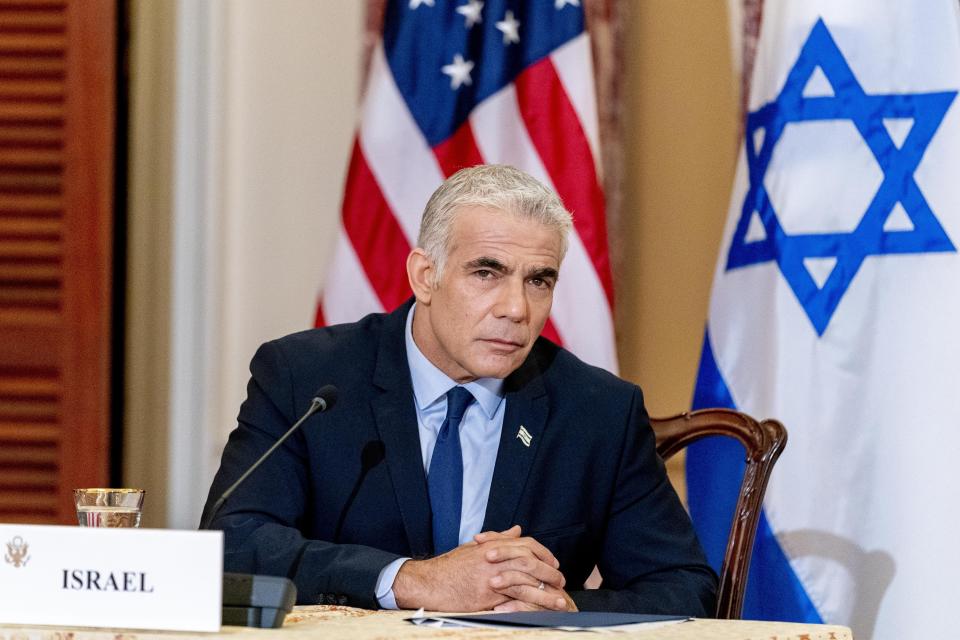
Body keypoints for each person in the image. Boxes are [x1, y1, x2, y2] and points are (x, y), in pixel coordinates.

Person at [202, 165, 717, 615]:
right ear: (425, 276)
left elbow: (684, 588)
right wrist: (409, 580)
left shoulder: (598, 409)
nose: (516, 308)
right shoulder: (307, 377)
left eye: (539, 281)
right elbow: (231, 545)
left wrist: (555, 605)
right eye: (487, 273)